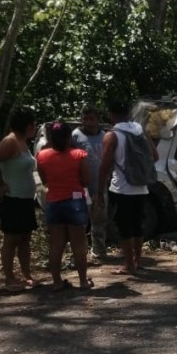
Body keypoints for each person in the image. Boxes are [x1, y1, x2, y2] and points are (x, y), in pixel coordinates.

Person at [97, 100, 158, 275]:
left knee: (124, 228)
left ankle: (128, 265)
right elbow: (155, 155)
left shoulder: (112, 135)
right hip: (141, 187)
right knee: (137, 225)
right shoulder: (140, 131)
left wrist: (100, 191)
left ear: (111, 114)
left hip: (122, 188)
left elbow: (104, 166)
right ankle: (138, 261)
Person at [0, 108, 39, 291]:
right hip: (11, 198)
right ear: (28, 125)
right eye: (33, 124)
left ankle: (26, 274)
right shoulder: (10, 141)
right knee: (11, 239)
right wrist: (0, 183)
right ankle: (9, 278)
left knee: (25, 238)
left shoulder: (23, 141)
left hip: (25, 199)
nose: (35, 127)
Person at [36, 122, 93, 290]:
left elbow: (44, 180)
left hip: (54, 202)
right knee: (78, 243)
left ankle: (56, 282)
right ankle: (83, 281)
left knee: (56, 244)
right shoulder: (79, 155)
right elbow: (86, 180)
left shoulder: (42, 156)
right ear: (69, 138)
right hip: (75, 203)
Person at [72, 105, 108, 262]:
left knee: (99, 220)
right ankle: (79, 254)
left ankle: (99, 251)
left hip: (101, 186)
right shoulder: (76, 135)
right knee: (80, 222)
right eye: (84, 119)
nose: (87, 122)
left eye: (91, 119)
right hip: (82, 186)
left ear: (98, 120)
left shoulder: (105, 136)